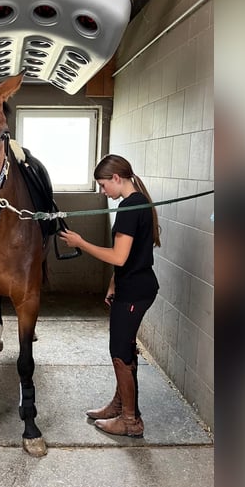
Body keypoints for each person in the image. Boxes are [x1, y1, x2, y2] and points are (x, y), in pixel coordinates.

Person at [58, 154, 160, 437]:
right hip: (134, 286)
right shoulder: (139, 201)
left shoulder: (130, 207)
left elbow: (119, 254)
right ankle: (120, 405)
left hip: (136, 292)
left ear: (117, 178)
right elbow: (131, 257)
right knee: (124, 349)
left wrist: (80, 243)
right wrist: (114, 282)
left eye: (104, 185)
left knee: (120, 353)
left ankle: (130, 421)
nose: (103, 192)